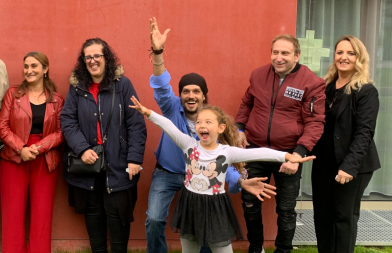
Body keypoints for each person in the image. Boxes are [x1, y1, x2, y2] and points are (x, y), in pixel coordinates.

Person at [130, 96, 315, 253]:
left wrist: (289, 156)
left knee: (222, 249)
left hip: (215, 206)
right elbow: (168, 126)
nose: (202, 125)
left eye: (208, 122)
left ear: (221, 128)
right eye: (199, 122)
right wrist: (148, 113)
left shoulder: (227, 152)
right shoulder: (188, 145)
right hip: (190, 204)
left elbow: (260, 152)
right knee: (190, 247)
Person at [145, 17, 241, 253]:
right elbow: (160, 85)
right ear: (180, 95)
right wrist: (158, 52)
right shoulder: (170, 107)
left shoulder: (212, 121)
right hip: (166, 173)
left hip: (200, 178)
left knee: (204, 225)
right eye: (185, 91)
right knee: (155, 219)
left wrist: (239, 180)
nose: (190, 95)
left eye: (196, 91)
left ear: (204, 96)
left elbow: (222, 156)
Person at [235, 34, 326, 253]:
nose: (279, 58)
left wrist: (298, 154)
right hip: (255, 150)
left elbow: (315, 122)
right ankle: (255, 249)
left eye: (285, 53)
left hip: (289, 154)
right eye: (275, 52)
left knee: (285, 209)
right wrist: (238, 128)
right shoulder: (258, 76)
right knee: (250, 203)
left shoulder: (312, 83)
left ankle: (283, 250)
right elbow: (247, 103)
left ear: (297, 55)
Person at [60, 38, 147, 253]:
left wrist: (134, 158)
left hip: (118, 164)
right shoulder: (77, 87)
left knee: (118, 218)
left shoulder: (123, 85)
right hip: (88, 165)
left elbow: (136, 123)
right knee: (94, 216)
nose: (93, 61)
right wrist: (81, 149)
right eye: (88, 57)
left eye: (97, 55)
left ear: (106, 57)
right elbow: (67, 120)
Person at [311, 35, 380, 253]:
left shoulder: (366, 91)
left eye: (351, 53)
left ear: (359, 58)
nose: (344, 57)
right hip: (324, 162)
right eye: (340, 52)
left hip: (353, 165)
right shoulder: (325, 87)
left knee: (343, 217)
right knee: (322, 215)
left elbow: (364, 133)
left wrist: (349, 166)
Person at [0, 51, 64, 253]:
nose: (29, 70)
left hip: (44, 159)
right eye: (26, 66)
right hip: (13, 158)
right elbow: (2, 126)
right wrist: (21, 148)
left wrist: (39, 147)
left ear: (45, 69)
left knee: (41, 214)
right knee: (13, 214)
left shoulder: (57, 100)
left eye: (34, 66)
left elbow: (61, 132)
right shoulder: (13, 94)